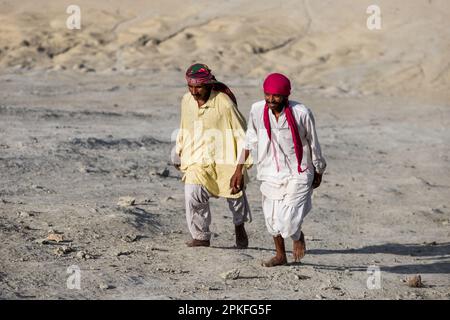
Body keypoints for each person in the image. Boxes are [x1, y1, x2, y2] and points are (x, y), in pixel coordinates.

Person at [230, 73, 326, 266]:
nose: (271, 100)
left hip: (298, 171)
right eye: (267, 94)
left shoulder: (301, 113)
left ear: (286, 96)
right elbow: (250, 140)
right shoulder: (257, 110)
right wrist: (238, 169)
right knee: (272, 219)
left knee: (289, 221)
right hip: (269, 171)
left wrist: (319, 169)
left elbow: (313, 143)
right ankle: (280, 255)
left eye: (276, 96)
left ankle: (297, 236)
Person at [173, 63, 252, 248]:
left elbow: (243, 134)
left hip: (225, 157)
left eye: (198, 87)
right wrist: (179, 151)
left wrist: (240, 168)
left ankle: (239, 227)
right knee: (193, 194)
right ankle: (201, 236)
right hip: (197, 158)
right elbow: (185, 126)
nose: (194, 91)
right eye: (190, 87)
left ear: (208, 85)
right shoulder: (186, 100)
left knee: (235, 196)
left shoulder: (224, 103)